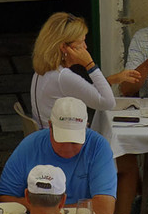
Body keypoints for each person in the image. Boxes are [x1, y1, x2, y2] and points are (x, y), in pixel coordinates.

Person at [0, 98, 116, 214]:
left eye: (74, 142)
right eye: (61, 140)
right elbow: (2, 199)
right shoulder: (30, 145)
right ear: (50, 126)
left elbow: (105, 208)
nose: (68, 148)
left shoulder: (98, 147)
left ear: (86, 127)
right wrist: (55, 212)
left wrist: (44, 210)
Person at [30, 11, 117, 142]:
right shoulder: (62, 77)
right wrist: (90, 65)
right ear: (64, 47)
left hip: (45, 138)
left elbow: (83, 91)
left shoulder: (45, 70)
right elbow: (108, 103)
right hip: (60, 144)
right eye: (81, 42)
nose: (85, 47)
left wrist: (111, 80)